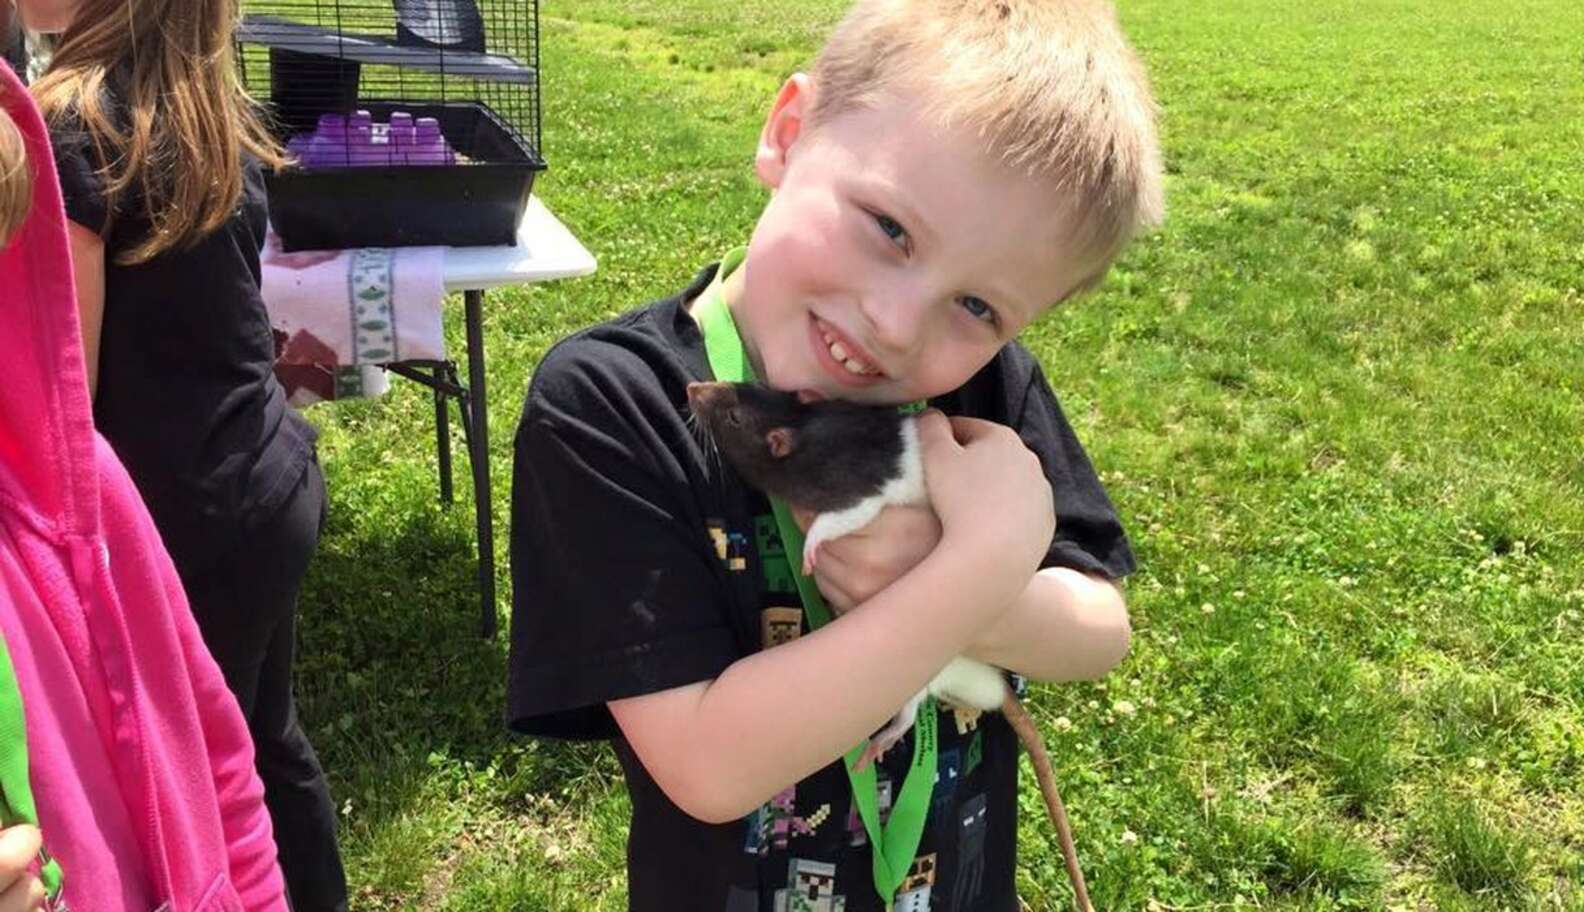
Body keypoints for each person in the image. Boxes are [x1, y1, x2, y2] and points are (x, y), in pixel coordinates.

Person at [506, 0, 1165, 908]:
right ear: (786, 133)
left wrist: (983, 589)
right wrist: (973, 566)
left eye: (979, 308)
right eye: (890, 228)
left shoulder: (985, 392)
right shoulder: (616, 406)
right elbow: (706, 765)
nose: (895, 326)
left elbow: (1101, 629)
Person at [20, 0, 348, 904]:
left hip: (187, 518)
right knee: (264, 743)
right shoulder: (198, 103)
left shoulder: (68, 119)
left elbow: (63, 391)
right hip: (264, 479)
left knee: (193, 777)